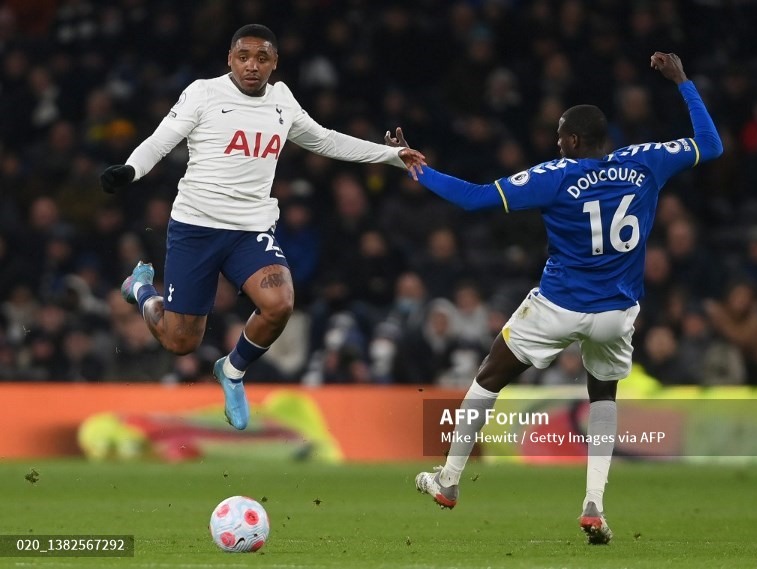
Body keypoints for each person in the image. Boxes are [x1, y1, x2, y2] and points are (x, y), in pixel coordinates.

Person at [386, 52, 722, 544]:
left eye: (560, 135)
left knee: (488, 378)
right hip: (616, 312)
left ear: (572, 141)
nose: (554, 141)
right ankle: (594, 504)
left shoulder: (556, 175)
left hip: (558, 306)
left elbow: (476, 199)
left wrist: (419, 169)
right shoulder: (645, 160)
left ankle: (450, 480)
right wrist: (683, 82)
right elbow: (711, 145)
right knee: (603, 395)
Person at [99, 24, 425, 430]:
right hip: (196, 226)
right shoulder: (203, 93)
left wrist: (393, 155)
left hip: (250, 229)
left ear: (274, 63)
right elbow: (161, 140)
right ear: (230, 59)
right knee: (180, 342)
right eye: (243, 56)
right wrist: (131, 170)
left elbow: (325, 140)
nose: (252, 65)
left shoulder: (283, 100)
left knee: (280, 303)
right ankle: (142, 290)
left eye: (262, 58)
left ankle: (232, 371)